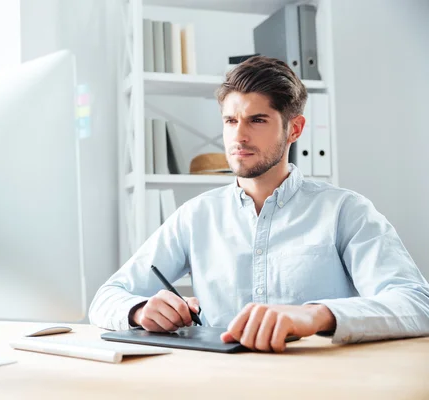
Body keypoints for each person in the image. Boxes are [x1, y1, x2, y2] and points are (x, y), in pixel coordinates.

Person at [89, 56, 429, 352]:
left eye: (257, 120)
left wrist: (315, 315)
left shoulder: (345, 212)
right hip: (220, 385)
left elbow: (417, 303)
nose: (239, 136)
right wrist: (139, 310)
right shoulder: (195, 217)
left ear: (294, 129)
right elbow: (107, 298)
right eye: (231, 121)